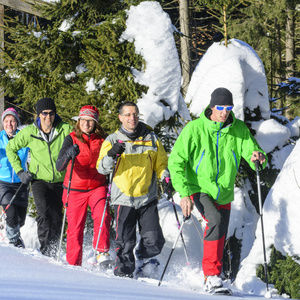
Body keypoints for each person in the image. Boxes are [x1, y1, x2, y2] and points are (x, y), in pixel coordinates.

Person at [168, 87, 267, 292]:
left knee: (221, 230)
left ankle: (216, 276)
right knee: (214, 220)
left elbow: (252, 150)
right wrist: (184, 193)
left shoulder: (238, 129)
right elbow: (176, 161)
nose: (224, 112)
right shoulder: (195, 129)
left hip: (224, 190)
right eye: (220, 107)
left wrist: (258, 157)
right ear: (212, 106)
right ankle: (210, 275)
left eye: (228, 107)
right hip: (199, 187)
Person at [97, 101, 168, 278]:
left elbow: (161, 163)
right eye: (127, 115)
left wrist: (164, 176)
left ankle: (143, 261)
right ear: (120, 117)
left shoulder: (151, 138)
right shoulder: (112, 140)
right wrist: (112, 154)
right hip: (124, 198)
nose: (132, 118)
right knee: (125, 241)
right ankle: (124, 273)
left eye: (135, 114)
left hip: (146, 197)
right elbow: (102, 168)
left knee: (154, 240)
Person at [6, 98, 72, 256]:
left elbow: (78, 143)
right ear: (38, 114)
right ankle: (45, 250)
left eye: (51, 114)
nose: (48, 117)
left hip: (59, 179)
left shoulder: (65, 129)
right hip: (38, 179)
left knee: (56, 217)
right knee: (44, 214)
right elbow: (10, 148)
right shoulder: (31, 132)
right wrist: (20, 171)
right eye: (44, 114)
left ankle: (54, 248)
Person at [56, 105, 111, 266]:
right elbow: (59, 165)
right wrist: (68, 154)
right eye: (83, 120)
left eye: (90, 121)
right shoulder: (71, 139)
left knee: (103, 215)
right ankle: (73, 264)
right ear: (78, 121)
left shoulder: (103, 140)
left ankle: (101, 252)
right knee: (75, 228)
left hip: (97, 186)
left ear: (95, 123)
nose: (86, 124)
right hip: (74, 189)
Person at [0, 108, 29, 248]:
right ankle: (14, 243)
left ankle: (12, 233)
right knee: (11, 214)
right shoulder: (0, 139)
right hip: (3, 182)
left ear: (17, 123)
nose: (9, 124)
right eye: (6, 121)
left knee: (20, 219)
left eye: (12, 121)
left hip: (21, 182)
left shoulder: (24, 138)